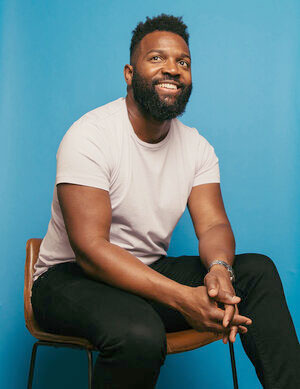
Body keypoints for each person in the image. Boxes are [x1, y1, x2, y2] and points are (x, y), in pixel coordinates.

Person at [31, 14, 299, 389]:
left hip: (147, 273)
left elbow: (213, 225)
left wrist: (220, 269)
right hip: (70, 278)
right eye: (156, 58)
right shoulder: (89, 136)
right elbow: (90, 249)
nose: (172, 69)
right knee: (139, 334)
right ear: (129, 72)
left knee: (255, 272)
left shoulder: (196, 147)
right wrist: (181, 298)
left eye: (183, 62)